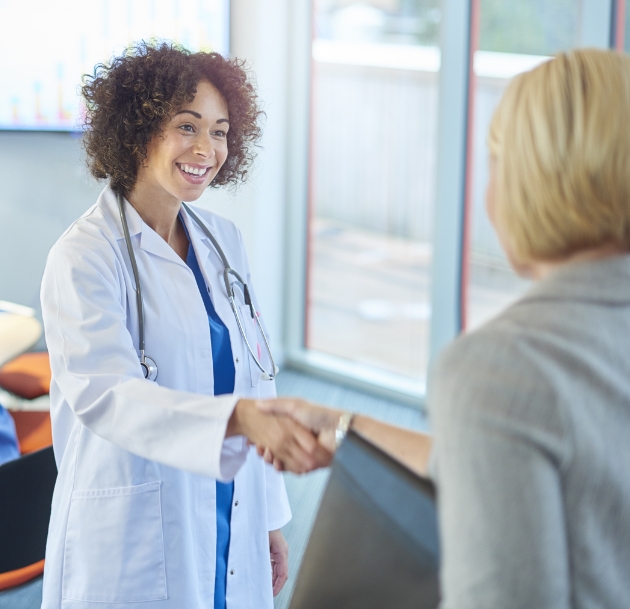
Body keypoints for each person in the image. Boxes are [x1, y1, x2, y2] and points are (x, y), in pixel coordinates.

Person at [261, 48, 630, 608]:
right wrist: (342, 426)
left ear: (532, 181)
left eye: (496, 163)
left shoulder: (504, 367)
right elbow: (507, 460)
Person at [40, 42, 329, 609]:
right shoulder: (84, 257)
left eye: (220, 131)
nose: (207, 149)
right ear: (139, 129)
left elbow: (255, 382)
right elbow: (109, 398)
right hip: (134, 524)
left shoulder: (224, 242)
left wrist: (269, 517)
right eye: (187, 126)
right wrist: (238, 418)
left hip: (230, 506)